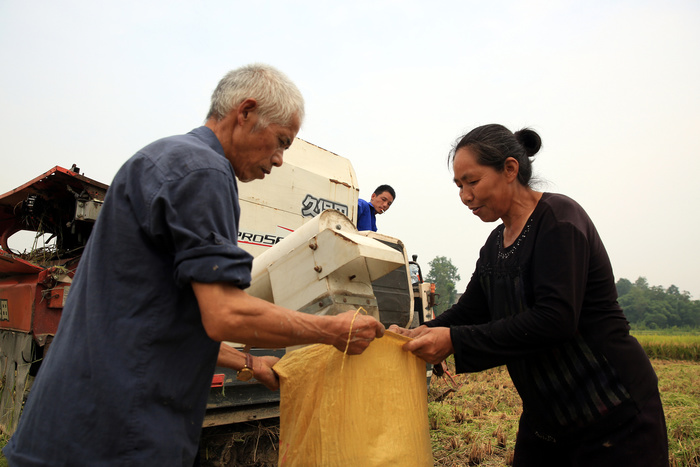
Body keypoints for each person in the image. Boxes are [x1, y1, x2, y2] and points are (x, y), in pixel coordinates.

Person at [3, 64, 385, 466]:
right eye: (280, 142)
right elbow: (224, 313)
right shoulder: (205, 172)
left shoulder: (162, 159)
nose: (278, 160)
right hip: (113, 438)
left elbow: (166, 317)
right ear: (246, 112)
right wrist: (332, 330)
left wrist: (250, 363)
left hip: (67, 430)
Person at [390, 124, 668, 466]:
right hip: (548, 421)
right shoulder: (494, 245)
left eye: (472, 182)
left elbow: (555, 320)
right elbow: (470, 311)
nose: (465, 195)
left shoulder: (560, 222)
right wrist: (417, 333)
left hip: (612, 414)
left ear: (510, 169)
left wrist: (454, 341)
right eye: (459, 185)